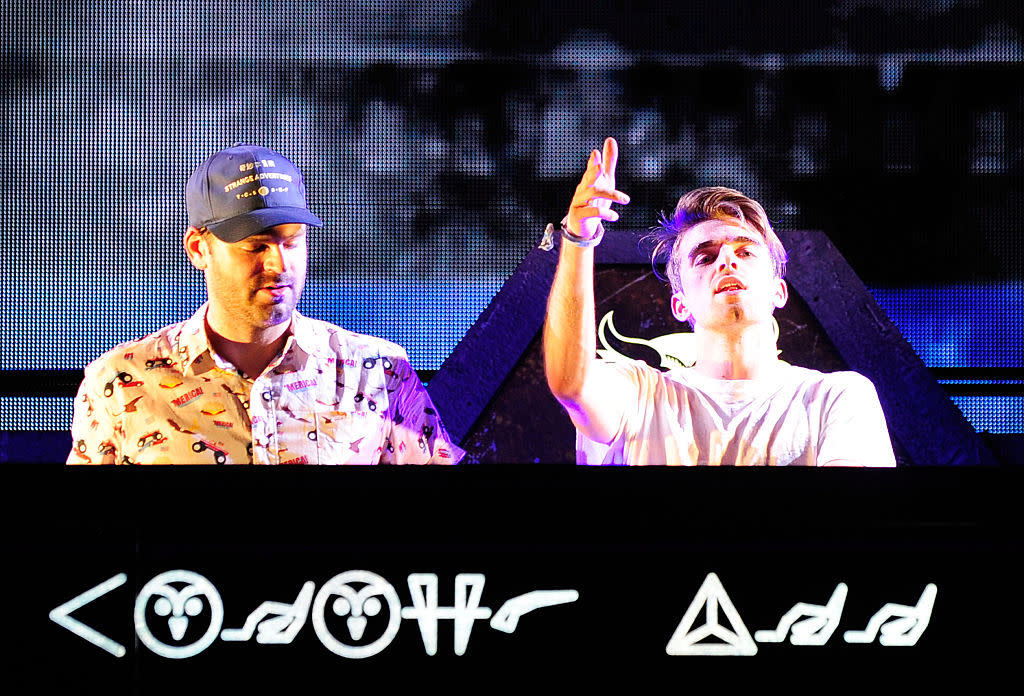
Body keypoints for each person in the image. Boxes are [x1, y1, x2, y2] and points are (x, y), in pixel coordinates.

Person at [68, 143, 463, 465]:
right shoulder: (119, 383)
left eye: (292, 242)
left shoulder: (376, 371)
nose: (278, 264)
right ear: (198, 249)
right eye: (255, 246)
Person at [543, 137, 896, 466]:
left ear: (779, 291)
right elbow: (572, 384)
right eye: (706, 257)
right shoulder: (639, 394)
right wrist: (578, 238)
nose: (727, 260)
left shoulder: (836, 399)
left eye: (744, 251)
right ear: (679, 305)